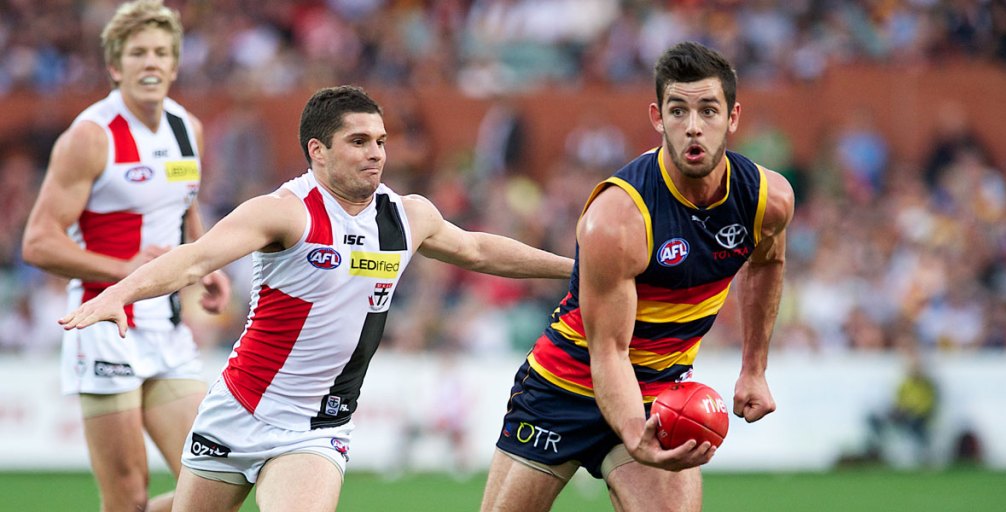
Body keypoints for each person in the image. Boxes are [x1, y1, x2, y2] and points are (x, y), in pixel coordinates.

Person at [59, 85, 575, 512]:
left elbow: (480, 250)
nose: (376, 152)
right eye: (358, 140)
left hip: (316, 428)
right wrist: (118, 293)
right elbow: (195, 258)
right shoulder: (284, 211)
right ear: (318, 151)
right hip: (239, 408)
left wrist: (578, 270)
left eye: (380, 140)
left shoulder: (408, 215)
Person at [481, 41, 795, 511]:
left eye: (708, 111)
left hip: (661, 392)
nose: (693, 127)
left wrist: (754, 369)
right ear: (657, 116)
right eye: (678, 110)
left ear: (732, 117)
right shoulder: (617, 218)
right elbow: (609, 350)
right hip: (563, 385)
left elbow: (768, 263)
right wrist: (632, 433)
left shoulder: (767, 199)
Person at [20, 1, 230, 510]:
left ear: (176, 64)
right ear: (115, 66)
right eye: (138, 53)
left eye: (161, 52)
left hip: (168, 325)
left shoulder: (188, 129)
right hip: (105, 330)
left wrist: (205, 264)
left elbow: (185, 205)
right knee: (127, 497)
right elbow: (38, 242)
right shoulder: (90, 137)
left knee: (218, 481)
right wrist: (128, 272)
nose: (151, 62)